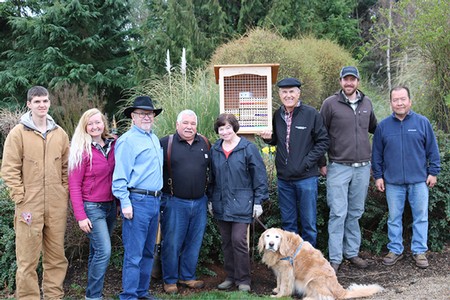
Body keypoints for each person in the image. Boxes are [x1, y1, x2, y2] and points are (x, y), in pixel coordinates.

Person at [1, 86, 70, 299]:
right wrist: (19, 196)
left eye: (45, 101)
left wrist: (63, 192)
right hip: (29, 205)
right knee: (27, 260)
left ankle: (53, 296)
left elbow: (67, 168)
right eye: (37, 101)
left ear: (49, 103)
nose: (42, 105)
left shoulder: (60, 134)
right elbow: (9, 168)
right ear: (29, 104)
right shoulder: (18, 133)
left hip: (56, 205)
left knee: (56, 257)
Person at [372, 86, 440, 269]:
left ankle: (419, 251)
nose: (399, 103)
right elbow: (376, 154)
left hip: (419, 181)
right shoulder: (383, 126)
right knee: (394, 218)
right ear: (391, 103)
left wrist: (433, 172)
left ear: (410, 101)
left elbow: (433, 150)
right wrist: (378, 176)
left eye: (403, 99)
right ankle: (395, 250)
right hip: (393, 182)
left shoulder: (422, 123)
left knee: (421, 217)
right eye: (396, 100)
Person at [320, 66, 378, 273]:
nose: (349, 83)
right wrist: (322, 162)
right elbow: (321, 134)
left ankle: (351, 253)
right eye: (346, 79)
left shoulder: (367, 103)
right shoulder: (330, 104)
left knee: (355, 212)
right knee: (338, 212)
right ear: (340, 81)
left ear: (358, 82)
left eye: (353, 80)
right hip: (338, 166)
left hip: (363, 167)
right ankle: (335, 258)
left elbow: (374, 129)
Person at [260, 77, 329, 247]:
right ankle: (290, 262)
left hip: (306, 178)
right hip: (284, 180)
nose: (288, 95)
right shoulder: (277, 115)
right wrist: (268, 139)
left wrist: (307, 162)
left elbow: (323, 141)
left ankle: (309, 262)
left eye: (292, 91)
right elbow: (276, 140)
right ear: (279, 94)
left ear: (298, 93)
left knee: (309, 224)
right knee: (288, 225)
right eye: (284, 92)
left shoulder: (311, 114)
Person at [209, 113, 269, 293]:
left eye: (228, 127)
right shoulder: (215, 150)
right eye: (221, 128)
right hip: (221, 202)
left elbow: (259, 176)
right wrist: (211, 199)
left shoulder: (247, 148)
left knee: (238, 241)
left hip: (243, 203)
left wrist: (258, 201)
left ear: (234, 127)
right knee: (227, 242)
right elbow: (211, 178)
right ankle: (230, 277)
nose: (225, 131)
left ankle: (244, 279)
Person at [112, 96, 163, 300]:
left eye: (149, 113)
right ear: (133, 116)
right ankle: (129, 295)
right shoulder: (127, 141)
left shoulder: (153, 138)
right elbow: (119, 177)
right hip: (137, 202)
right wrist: (125, 202)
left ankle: (142, 292)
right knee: (134, 254)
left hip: (155, 201)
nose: (146, 117)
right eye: (141, 114)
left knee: (149, 252)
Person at [159, 109, 211, 294]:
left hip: (200, 202)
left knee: (194, 241)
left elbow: (211, 172)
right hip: (174, 202)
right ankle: (170, 280)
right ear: (177, 125)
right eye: (185, 123)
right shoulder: (166, 143)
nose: (189, 127)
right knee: (172, 242)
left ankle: (187, 276)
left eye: (193, 124)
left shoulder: (204, 142)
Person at [68, 108, 117, 300]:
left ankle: (92, 292)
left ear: (103, 123)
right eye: (90, 123)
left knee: (96, 251)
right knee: (104, 251)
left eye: (98, 122)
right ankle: (93, 296)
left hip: (111, 206)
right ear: (84, 127)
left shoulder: (113, 145)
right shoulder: (81, 149)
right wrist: (80, 216)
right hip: (92, 208)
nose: (95, 126)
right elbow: (74, 185)